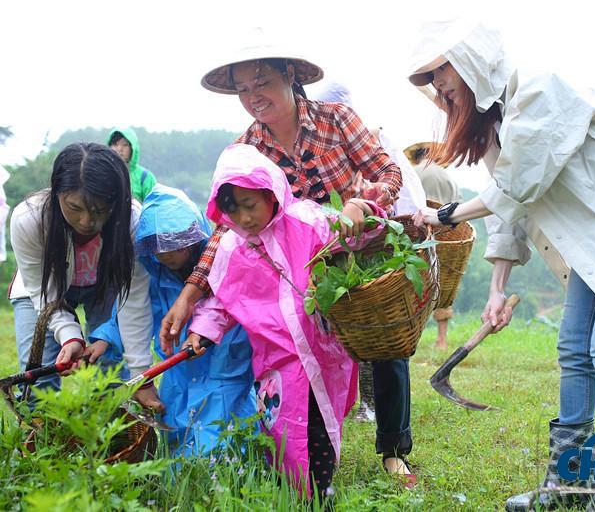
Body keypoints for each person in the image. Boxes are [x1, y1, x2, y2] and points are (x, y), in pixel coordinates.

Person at [408, 20, 595, 510]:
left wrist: (441, 215)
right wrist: (496, 288)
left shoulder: (536, 87)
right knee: (574, 348)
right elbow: (509, 207)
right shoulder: (493, 122)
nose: (436, 83)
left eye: (440, 69)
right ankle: (568, 485)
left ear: (471, 61)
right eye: (426, 78)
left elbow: (517, 187)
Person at [160, 38, 416, 486]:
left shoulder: (335, 121)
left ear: (291, 77)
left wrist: (370, 199)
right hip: (291, 272)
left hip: (353, 249)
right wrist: (190, 293)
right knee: (292, 357)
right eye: (243, 89)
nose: (254, 96)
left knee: (381, 341)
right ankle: (287, 446)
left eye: (263, 82)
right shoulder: (247, 148)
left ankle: (394, 448)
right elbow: (226, 232)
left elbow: (385, 169)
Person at [180, 143, 382, 497]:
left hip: (323, 351)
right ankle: (305, 494)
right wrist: (202, 332)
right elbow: (221, 302)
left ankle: (316, 490)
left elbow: (360, 233)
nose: (244, 218)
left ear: (271, 193)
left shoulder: (308, 221)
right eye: (234, 210)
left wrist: (362, 209)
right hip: (277, 362)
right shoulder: (231, 249)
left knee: (321, 422)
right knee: (286, 431)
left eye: (250, 205)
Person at [90, 184, 257, 454]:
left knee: (221, 437)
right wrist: (104, 337)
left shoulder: (221, 262)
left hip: (224, 369)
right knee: (177, 436)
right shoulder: (155, 275)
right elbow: (134, 314)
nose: (166, 254)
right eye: (157, 246)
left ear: (192, 237)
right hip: (178, 373)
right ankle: (181, 482)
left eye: (174, 245)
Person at [9, 142, 161, 410]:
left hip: (106, 286)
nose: (86, 221)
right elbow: (41, 292)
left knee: (112, 369)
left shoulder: (132, 222)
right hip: (43, 292)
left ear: (117, 200)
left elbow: (134, 299)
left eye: (100, 209)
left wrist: (142, 376)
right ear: (57, 193)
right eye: (74, 207)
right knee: (38, 380)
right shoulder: (29, 219)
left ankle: (114, 440)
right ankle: (44, 443)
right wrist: (70, 335)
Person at [311, 79, 427, 423]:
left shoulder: (371, 143)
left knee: (388, 341)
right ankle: (359, 406)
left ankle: (392, 440)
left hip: (386, 244)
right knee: (352, 330)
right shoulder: (319, 149)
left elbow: (401, 195)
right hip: (343, 248)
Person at [404, 141, 461, 349]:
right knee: (444, 286)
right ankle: (442, 339)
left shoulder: (413, 172)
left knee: (413, 285)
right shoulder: (449, 178)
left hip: (418, 235)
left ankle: (411, 336)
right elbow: (460, 208)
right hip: (446, 235)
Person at [108, 127, 157, 203]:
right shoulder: (104, 174)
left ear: (132, 148)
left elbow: (153, 207)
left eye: (125, 145)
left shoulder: (145, 177)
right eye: (115, 144)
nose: (120, 149)